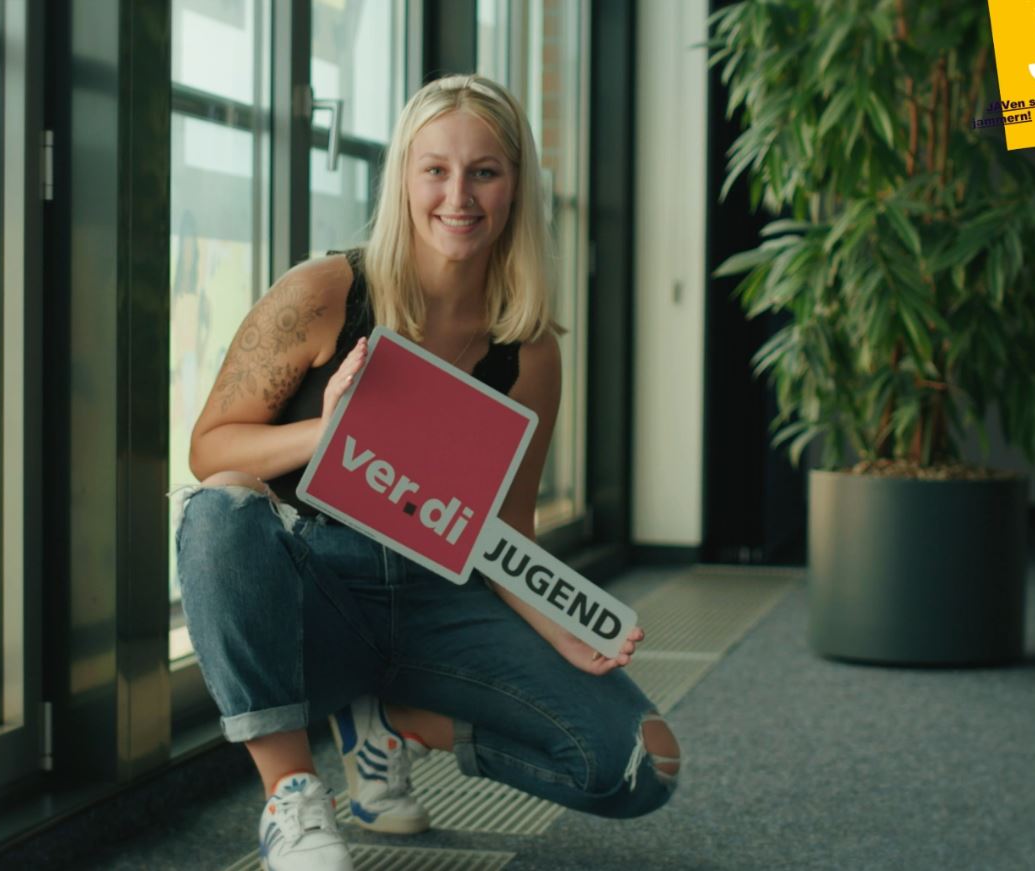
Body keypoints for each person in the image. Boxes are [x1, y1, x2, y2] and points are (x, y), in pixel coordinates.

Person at [175, 75, 680, 871]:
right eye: (435, 170)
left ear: (515, 186)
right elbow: (210, 448)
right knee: (220, 510)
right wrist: (326, 430)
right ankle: (294, 800)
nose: (459, 196)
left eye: (485, 171)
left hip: (435, 600)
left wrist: (563, 618)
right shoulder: (324, 294)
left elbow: (504, 532)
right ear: (404, 179)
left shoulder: (530, 349)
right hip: (316, 594)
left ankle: (393, 719)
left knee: (644, 764)